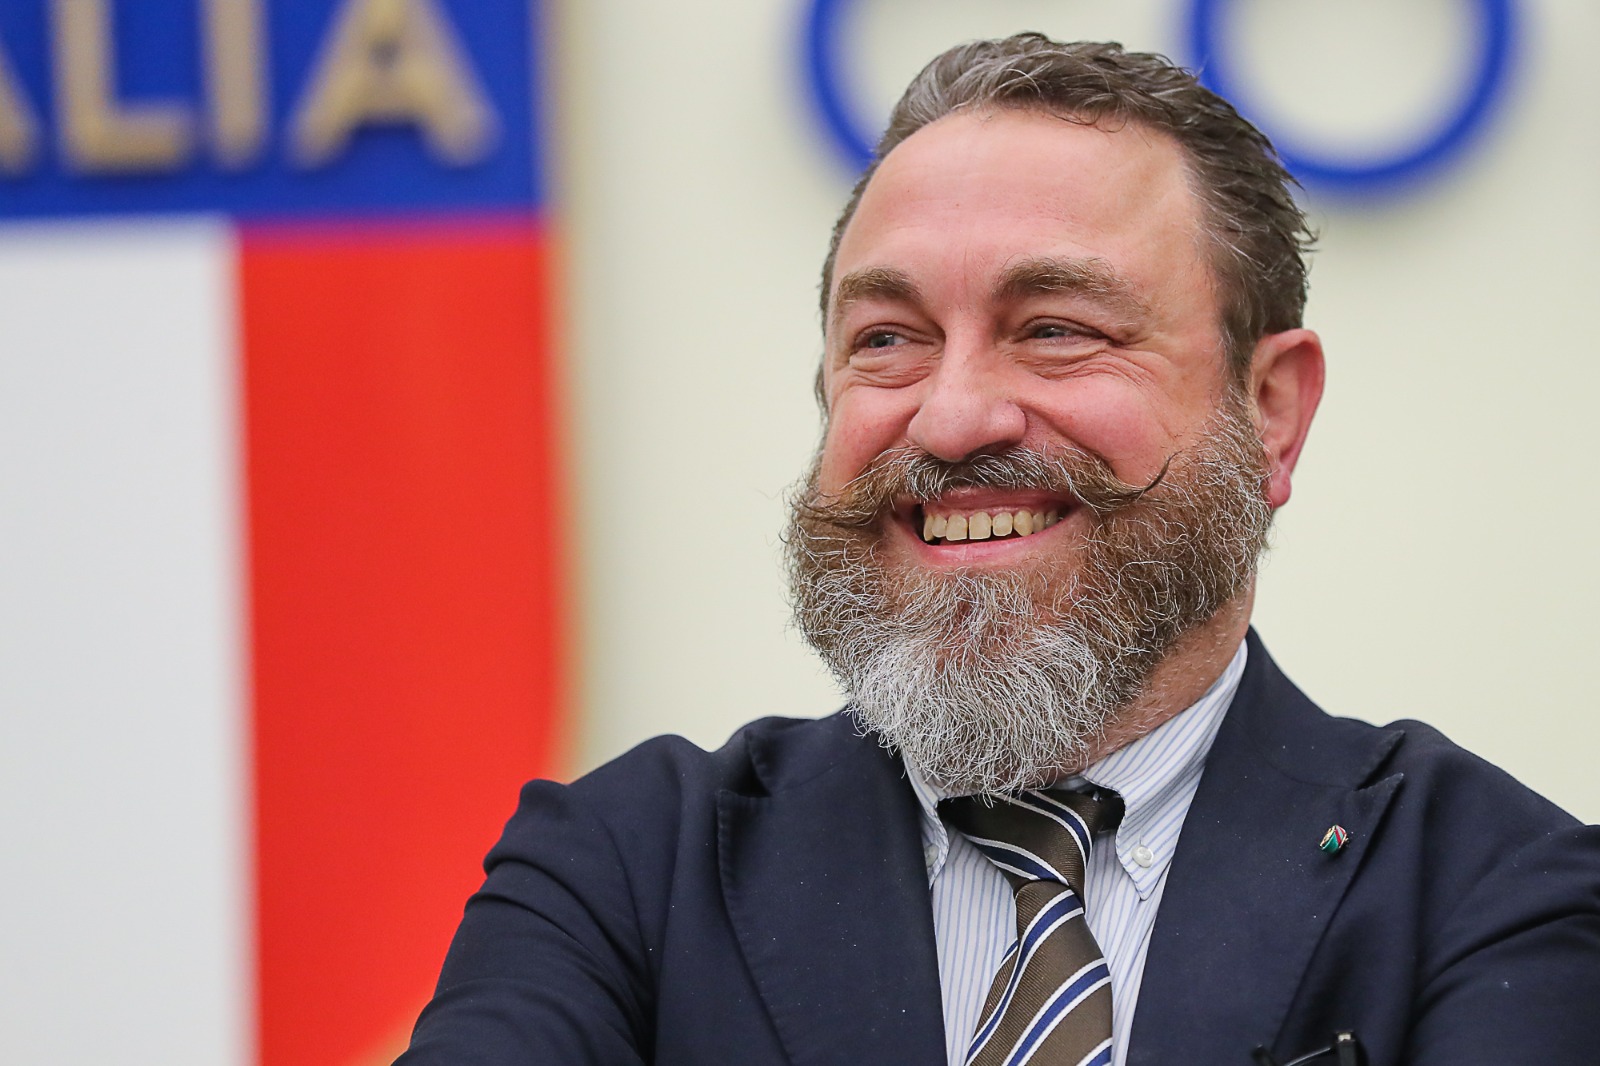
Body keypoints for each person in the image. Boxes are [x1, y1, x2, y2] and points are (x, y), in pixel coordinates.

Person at [397, 35, 1600, 1066]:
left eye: (1056, 329)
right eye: (887, 339)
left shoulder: (1491, 891)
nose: (953, 416)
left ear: (1271, 409)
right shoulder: (623, 871)